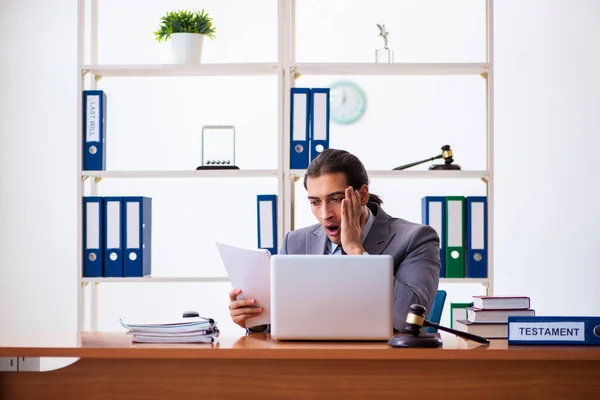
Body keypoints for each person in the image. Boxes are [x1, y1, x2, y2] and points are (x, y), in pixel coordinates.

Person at [228, 149, 441, 332]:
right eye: (315, 202)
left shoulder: (416, 239)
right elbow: (283, 322)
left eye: (336, 199)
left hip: (381, 366)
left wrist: (357, 252)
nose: (325, 214)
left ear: (363, 195)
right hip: (309, 364)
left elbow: (410, 320)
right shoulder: (295, 243)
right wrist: (255, 319)